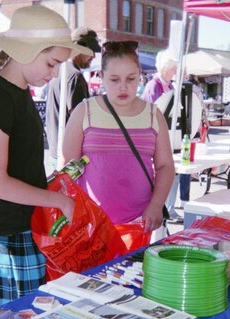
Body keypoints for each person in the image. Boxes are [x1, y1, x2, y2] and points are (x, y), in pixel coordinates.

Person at [0, 5, 94, 306]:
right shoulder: (0, 96)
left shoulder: (17, 91)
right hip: (4, 235)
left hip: (21, 226)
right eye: (51, 63)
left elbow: (19, 165)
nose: (56, 72)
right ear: (26, 50)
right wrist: (58, 200)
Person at [62, 41, 175, 233]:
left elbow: (166, 166)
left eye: (130, 79)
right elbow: (68, 169)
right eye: (115, 79)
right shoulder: (84, 111)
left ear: (140, 76)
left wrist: (157, 204)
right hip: (91, 225)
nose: (123, 87)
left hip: (137, 225)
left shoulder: (153, 115)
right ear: (101, 76)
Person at [45, 27, 100, 168]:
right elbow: (79, 118)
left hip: (56, 149)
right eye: (91, 52)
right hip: (69, 154)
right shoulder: (75, 76)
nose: (93, 57)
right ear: (81, 48)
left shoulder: (59, 70)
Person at [141, 50, 184, 223]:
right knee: (162, 172)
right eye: (172, 69)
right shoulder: (153, 86)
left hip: (170, 135)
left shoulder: (171, 86)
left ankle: (170, 208)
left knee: (174, 172)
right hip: (155, 137)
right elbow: (152, 112)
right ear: (165, 68)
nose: (174, 72)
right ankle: (163, 207)